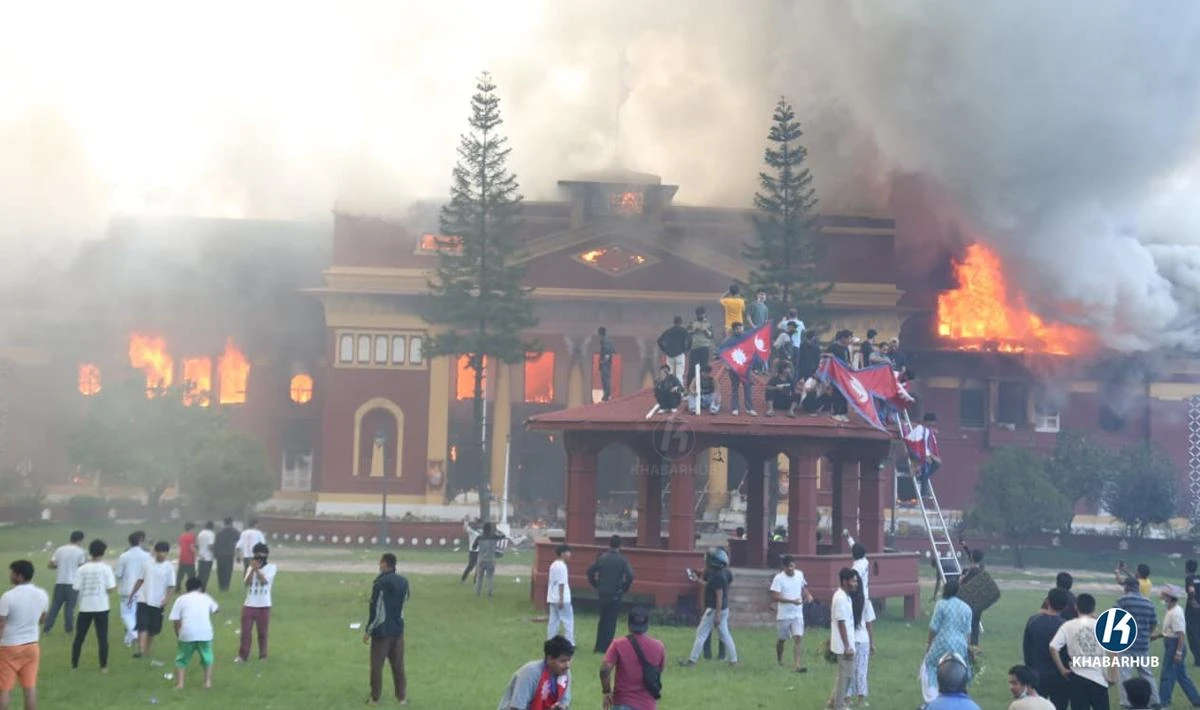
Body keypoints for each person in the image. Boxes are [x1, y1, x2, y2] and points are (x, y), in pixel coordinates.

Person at [0, 560, 48, 710]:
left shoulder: (8, 596)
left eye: (12, 573)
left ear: (19, 576)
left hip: (10, 646)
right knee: (29, 687)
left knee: (4, 688)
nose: (10, 575)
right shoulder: (42, 594)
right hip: (32, 646)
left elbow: (1, 623)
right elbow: (42, 619)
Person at [1049, 593, 1110, 710]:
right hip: (1099, 677)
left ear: (1076, 607)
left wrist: (1062, 669)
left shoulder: (1068, 625)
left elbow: (1053, 647)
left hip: (1077, 677)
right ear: (1093, 608)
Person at [364, 553, 409, 706]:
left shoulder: (380, 583)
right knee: (398, 665)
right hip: (398, 629)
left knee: (377, 666)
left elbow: (376, 610)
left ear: (385, 563)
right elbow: (404, 601)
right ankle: (402, 697)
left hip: (382, 632)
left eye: (380, 562)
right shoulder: (404, 582)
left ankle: (375, 698)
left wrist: (368, 630)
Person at [680, 548, 738, 667]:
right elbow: (711, 586)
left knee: (701, 633)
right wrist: (698, 580)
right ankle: (734, 660)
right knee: (725, 635)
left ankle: (692, 660)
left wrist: (717, 614)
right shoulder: (723, 573)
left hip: (714, 609)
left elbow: (719, 595)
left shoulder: (717, 576)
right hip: (723, 609)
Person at [600, 607, 665, 710]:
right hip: (647, 705)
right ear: (647, 625)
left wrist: (607, 691)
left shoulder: (618, 644)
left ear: (629, 625)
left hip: (622, 702)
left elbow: (604, 670)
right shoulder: (659, 646)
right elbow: (659, 671)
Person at [921, 580, 973, 705]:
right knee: (959, 666)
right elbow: (968, 633)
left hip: (943, 641)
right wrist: (967, 648)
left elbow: (934, 627)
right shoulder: (966, 607)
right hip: (960, 644)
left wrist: (929, 645)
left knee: (930, 664)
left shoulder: (941, 604)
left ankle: (932, 695)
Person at [70, 539, 115, 672]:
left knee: (79, 637)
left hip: (85, 607)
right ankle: (103, 666)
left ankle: (74, 665)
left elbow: (76, 587)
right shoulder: (106, 568)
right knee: (102, 638)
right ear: (103, 552)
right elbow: (110, 588)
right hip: (101, 607)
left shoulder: (82, 569)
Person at [1115, 575, 1159, 707]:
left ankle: (1127, 702)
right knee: (1147, 674)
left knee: (1125, 675)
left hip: (1126, 645)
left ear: (1126, 587)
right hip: (1143, 645)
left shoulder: (1123, 601)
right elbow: (1153, 623)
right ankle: (1154, 701)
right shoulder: (1148, 603)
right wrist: (1146, 635)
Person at [167, 577, 218, 690]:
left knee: (182, 659)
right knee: (207, 657)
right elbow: (216, 609)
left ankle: (180, 684)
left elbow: (176, 620)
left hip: (187, 633)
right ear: (200, 588)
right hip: (205, 633)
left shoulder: (180, 599)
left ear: (187, 588)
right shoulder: (206, 597)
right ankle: (207, 682)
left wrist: (179, 634)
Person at [497, 635, 573, 710]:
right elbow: (517, 707)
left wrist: (561, 707)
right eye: (562, 661)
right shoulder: (530, 673)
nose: (567, 665)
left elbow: (564, 702)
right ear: (549, 658)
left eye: (569, 660)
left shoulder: (564, 674)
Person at [1023, 588, 1069, 710]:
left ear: (1047, 601)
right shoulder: (1066, 625)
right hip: (1059, 676)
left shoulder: (1033, 621)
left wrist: (1029, 669)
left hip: (1037, 673)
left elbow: (1027, 650)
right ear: (1065, 606)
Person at [128, 541, 175, 659]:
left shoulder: (169, 567)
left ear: (167, 553)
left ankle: (147, 651)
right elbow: (140, 580)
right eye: (160, 552)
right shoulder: (147, 564)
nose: (162, 554)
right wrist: (132, 594)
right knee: (142, 626)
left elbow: (171, 586)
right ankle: (141, 651)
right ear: (155, 552)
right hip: (143, 600)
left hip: (158, 602)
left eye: (164, 552)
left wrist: (166, 599)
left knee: (152, 629)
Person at [587, 536, 634, 654]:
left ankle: (599, 646)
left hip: (603, 592)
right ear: (620, 546)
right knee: (611, 621)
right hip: (615, 593)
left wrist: (596, 584)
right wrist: (624, 588)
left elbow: (590, 571)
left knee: (602, 620)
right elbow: (630, 575)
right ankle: (607, 647)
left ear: (609, 544)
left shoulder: (602, 558)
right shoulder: (622, 560)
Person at [1156, 583, 1200, 706]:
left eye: (1163, 594)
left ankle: (1163, 702)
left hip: (1174, 646)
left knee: (1167, 674)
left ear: (1169, 597)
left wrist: (1178, 652)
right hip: (1171, 644)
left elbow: (1181, 634)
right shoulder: (1170, 610)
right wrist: (1156, 636)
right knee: (1182, 676)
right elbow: (1169, 630)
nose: (1161, 596)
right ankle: (1196, 700)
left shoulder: (1176, 613)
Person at [769, 555, 811, 672]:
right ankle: (779, 659)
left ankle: (797, 665)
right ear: (784, 567)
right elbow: (775, 596)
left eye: (793, 566)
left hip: (797, 613)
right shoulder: (779, 578)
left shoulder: (799, 574)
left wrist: (808, 595)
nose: (791, 569)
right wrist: (791, 601)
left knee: (798, 637)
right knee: (782, 639)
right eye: (789, 567)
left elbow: (803, 588)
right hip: (784, 614)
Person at [236, 543, 275, 663]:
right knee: (245, 632)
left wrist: (257, 570)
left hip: (264, 604)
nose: (258, 558)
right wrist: (252, 569)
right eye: (256, 555)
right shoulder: (250, 567)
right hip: (249, 604)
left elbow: (264, 582)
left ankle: (263, 656)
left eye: (261, 555)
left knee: (262, 632)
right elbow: (247, 583)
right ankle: (242, 656)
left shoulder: (271, 567)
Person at [828, 567, 859, 710]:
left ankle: (832, 704)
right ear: (845, 582)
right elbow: (841, 623)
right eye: (853, 581)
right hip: (843, 646)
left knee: (846, 676)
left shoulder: (846, 597)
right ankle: (838, 706)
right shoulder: (840, 598)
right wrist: (847, 646)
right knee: (845, 678)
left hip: (847, 643)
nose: (856, 584)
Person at [42, 530, 85, 636]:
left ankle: (46, 628)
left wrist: (60, 566)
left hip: (60, 582)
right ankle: (68, 630)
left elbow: (51, 564)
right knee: (69, 608)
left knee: (55, 607)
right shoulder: (80, 551)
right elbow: (82, 567)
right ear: (80, 540)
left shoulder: (60, 549)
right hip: (73, 584)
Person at [845, 569, 876, 707]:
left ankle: (847, 698)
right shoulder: (866, 602)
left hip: (849, 639)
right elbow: (869, 624)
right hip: (863, 640)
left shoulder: (846, 601)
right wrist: (872, 643)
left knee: (848, 670)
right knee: (861, 670)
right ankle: (861, 699)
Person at [115, 531, 150, 648]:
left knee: (127, 614)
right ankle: (128, 639)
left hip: (127, 590)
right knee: (136, 615)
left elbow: (118, 574)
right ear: (140, 541)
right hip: (143, 590)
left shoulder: (124, 556)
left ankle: (135, 635)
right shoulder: (147, 556)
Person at [718, 323, 756, 416]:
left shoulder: (748, 339)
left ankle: (749, 408)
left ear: (743, 328)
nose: (738, 330)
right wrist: (727, 364)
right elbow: (722, 351)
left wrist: (751, 366)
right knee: (735, 388)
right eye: (736, 328)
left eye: (740, 328)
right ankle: (735, 408)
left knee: (747, 388)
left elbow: (752, 351)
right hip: (734, 368)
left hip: (746, 368)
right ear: (734, 330)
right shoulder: (730, 341)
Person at [905, 412, 942, 494]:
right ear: (927, 421)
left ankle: (922, 478)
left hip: (927, 453)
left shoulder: (929, 431)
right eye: (931, 423)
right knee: (930, 465)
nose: (933, 425)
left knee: (937, 463)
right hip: (919, 453)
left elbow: (930, 445)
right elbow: (915, 443)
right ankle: (923, 488)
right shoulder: (919, 429)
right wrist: (923, 455)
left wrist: (931, 455)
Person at [546, 544, 574, 644]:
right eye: (568, 552)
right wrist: (561, 598)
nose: (570, 554)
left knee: (553, 621)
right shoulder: (562, 566)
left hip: (552, 597)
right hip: (563, 598)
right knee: (568, 621)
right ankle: (570, 642)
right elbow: (561, 583)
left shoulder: (553, 565)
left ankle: (551, 640)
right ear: (562, 554)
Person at [686, 307, 714, 387]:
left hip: (704, 347)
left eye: (702, 314)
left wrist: (705, 331)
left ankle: (704, 386)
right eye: (699, 314)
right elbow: (687, 333)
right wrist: (694, 331)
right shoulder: (692, 323)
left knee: (704, 368)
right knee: (692, 368)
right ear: (697, 314)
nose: (701, 315)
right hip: (694, 348)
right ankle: (689, 387)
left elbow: (711, 336)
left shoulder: (708, 323)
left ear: (705, 314)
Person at [474, 523, 503, 599]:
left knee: (479, 577)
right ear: (490, 529)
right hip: (491, 559)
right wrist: (497, 530)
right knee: (490, 577)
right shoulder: (494, 536)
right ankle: (490, 593)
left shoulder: (479, 537)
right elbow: (503, 536)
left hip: (481, 559)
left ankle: (478, 593)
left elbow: (474, 547)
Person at [657, 316, 690, 381]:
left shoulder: (668, 331)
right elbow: (690, 340)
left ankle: (671, 386)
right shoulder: (683, 331)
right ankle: (679, 387)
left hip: (669, 355)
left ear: (673, 322)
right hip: (680, 354)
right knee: (679, 375)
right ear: (681, 322)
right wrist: (687, 350)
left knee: (670, 374)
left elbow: (659, 341)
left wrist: (664, 350)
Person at [214, 518, 239, 593]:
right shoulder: (234, 532)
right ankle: (226, 587)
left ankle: (221, 587)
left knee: (220, 571)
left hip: (220, 555)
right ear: (231, 523)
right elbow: (238, 541)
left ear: (224, 523)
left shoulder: (219, 533)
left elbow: (216, 544)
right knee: (228, 571)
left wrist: (215, 554)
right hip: (229, 554)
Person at [195, 522, 216, 593]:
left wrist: (199, 552)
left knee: (200, 574)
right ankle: (203, 589)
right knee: (206, 575)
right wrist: (215, 553)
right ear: (212, 527)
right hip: (208, 557)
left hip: (201, 556)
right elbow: (210, 546)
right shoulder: (211, 534)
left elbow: (197, 545)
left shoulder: (200, 533)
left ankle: (197, 588)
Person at [176, 522, 197, 592]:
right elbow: (191, 548)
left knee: (180, 575)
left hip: (182, 558)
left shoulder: (181, 536)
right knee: (191, 576)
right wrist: (197, 553)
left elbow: (180, 547)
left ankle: (177, 588)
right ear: (191, 529)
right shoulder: (192, 536)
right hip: (189, 559)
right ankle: (191, 589)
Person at [1186, 559, 1200, 664]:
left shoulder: (1189, 578)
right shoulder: (1198, 578)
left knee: (1192, 635)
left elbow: (1191, 590)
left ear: (1186, 568)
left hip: (1192, 611)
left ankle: (1198, 659)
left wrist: (1193, 602)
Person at [461, 518, 482, 584]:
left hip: (480, 550)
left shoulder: (481, 531)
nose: (477, 524)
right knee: (471, 565)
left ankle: (476, 580)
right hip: (473, 551)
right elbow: (465, 528)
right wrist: (466, 522)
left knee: (479, 566)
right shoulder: (471, 530)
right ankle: (463, 578)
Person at [597, 326, 615, 401]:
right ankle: (606, 394)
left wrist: (603, 361)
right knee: (605, 379)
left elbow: (608, 352)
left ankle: (606, 394)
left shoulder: (605, 340)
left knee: (605, 379)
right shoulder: (607, 340)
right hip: (606, 363)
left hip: (605, 363)